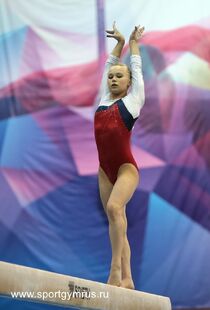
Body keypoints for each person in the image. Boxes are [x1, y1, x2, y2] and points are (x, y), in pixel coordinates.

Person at [94, 22, 145, 289]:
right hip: (104, 170)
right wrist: (119, 42)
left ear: (129, 83)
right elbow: (109, 63)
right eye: (111, 76)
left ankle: (115, 272)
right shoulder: (104, 99)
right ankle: (128, 279)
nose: (113, 79)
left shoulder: (133, 101)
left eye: (119, 76)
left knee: (115, 209)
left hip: (125, 168)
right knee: (117, 220)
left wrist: (133, 44)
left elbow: (135, 67)